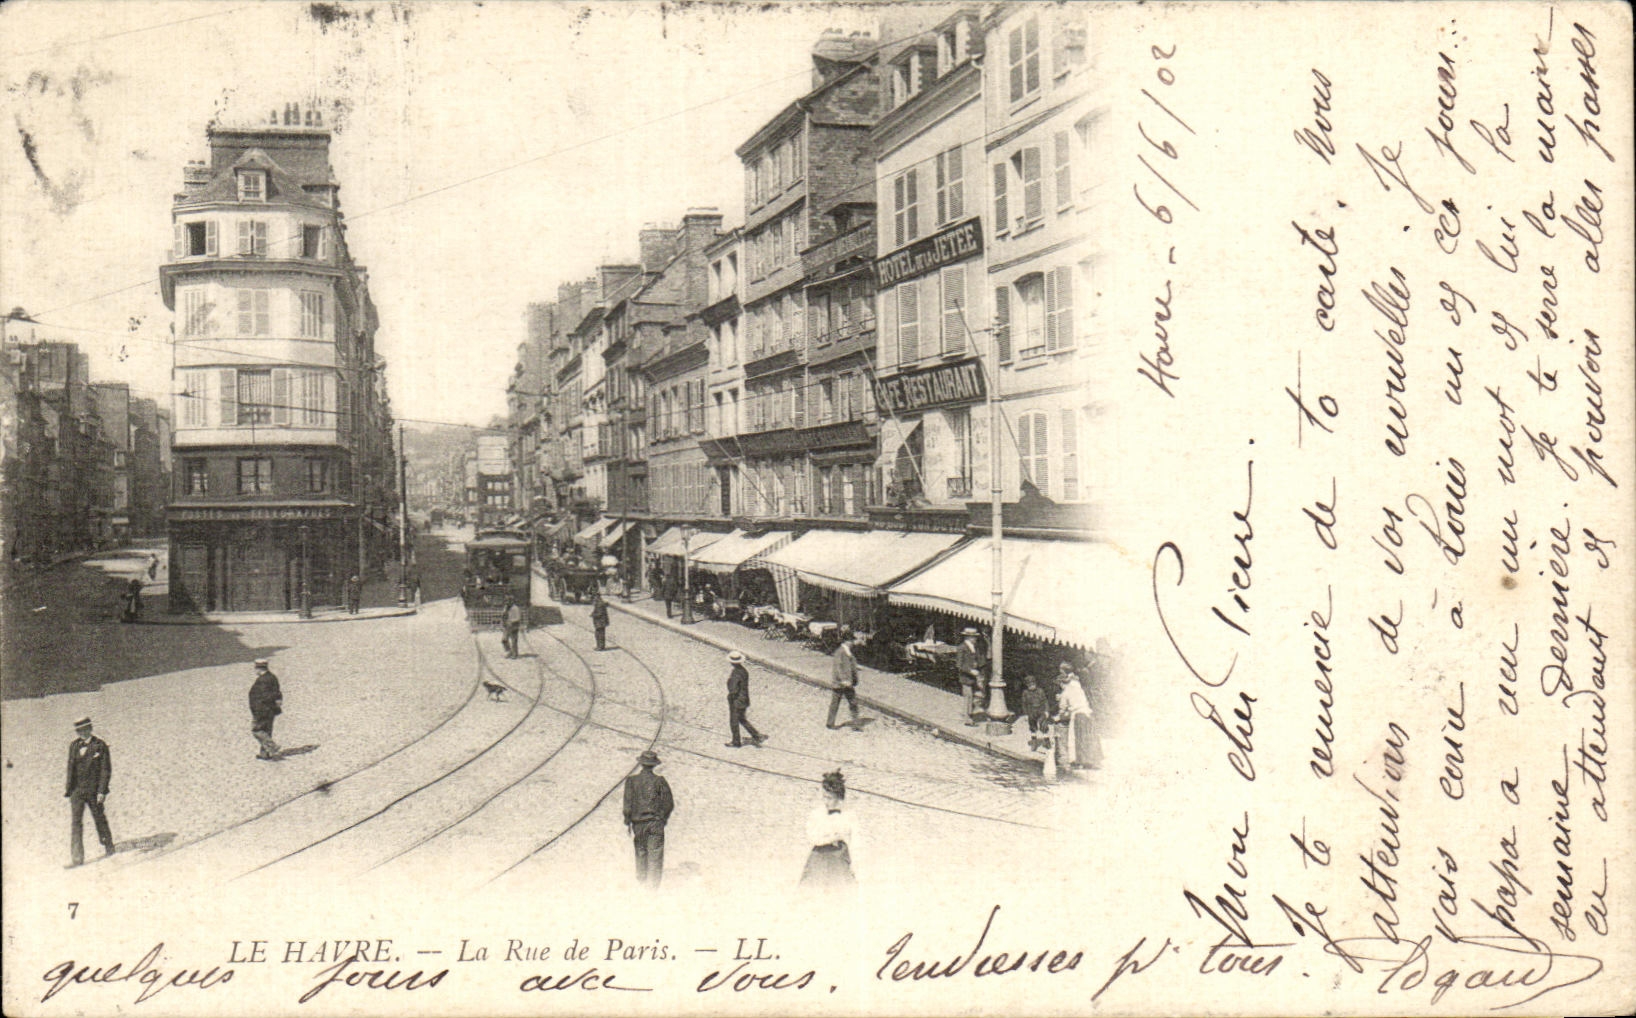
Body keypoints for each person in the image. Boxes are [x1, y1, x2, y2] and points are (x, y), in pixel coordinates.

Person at [65, 717, 115, 866]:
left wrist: (102, 791)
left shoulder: (100, 745)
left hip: (94, 791)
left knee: (99, 818)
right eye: (79, 730)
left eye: (85, 729)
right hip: (77, 792)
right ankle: (77, 858)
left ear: (90, 729)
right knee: (76, 823)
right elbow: (70, 768)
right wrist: (70, 790)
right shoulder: (74, 746)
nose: (82, 733)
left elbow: (106, 770)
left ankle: (108, 845)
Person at [622, 750, 673, 887]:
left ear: (641, 764)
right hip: (655, 822)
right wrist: (663, 818)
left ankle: (641, 881)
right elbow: (668, 803)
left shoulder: (631, 781)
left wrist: (627, 820)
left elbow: (628, 804)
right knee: (655, 854)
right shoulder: (660, 781)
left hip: (638, 823)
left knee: (640, 851)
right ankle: (653, 887)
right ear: (654, 765)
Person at [799, 770, 856, 889]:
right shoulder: (817, 814)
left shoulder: (847, 816)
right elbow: (813, 837)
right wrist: (834, 837)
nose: (826, 801)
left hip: (838, 861)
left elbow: (851, 841)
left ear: (839, 800)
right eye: (824, 797)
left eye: (829, 798)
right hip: (819, 858)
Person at [1057, 664, 1101, 769]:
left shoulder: (1065, 693)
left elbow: (1062, 709)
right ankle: (1094, 760)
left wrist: (1059, 716)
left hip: (1078, 715)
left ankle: (1081, 761)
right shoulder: (1078, 687)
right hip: (1088, 713)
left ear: (1062, 683)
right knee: (1090, 737)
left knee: (1079, 739)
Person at [725, 650, 766, 748]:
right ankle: (756, 735)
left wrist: (730, 696)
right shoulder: (744, 671)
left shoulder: (736, 673)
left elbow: (733, 689)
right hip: (744, 699)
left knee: (734, 721)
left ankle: (736, 742)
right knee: (742, 719)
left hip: (737, 700)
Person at [826, 626, 862, 731]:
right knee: (835, 703)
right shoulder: (840, 652)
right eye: (852, 641)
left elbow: (850, 663)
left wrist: (856, 667)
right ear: (847, 641)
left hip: (848, 682)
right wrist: (843, 680)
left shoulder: (848, 651)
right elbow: (838, 667)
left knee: (853, 702)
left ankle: (856, 725)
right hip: (840, 683)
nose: (853, 643)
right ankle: (830, 723)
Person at [248, 659, 284, 760]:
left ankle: (272, 746)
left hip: (262, 710)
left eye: (255, 668)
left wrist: (256, 710)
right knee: (267, 731)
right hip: (271, 710)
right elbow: (277, 692)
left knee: (257, 730)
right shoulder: (272, 677)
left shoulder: (262, 680)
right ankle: (265, 754)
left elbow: (263, 697)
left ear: (258, 668)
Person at [956, 627, 985, 725]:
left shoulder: (974, 647)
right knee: (968, 697)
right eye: (974, 637)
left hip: (974, 677)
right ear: (968, 637)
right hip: (966, 677)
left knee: (973, 697)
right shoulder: (962, 648)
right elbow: (959, 665)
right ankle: (967, 719)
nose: (975, 639)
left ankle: (969, 715)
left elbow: (977, 660)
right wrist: (971, 671)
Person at [1021, 674, 1052, 751]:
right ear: (1027, 685)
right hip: (1031, 711)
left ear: (1035, 684)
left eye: (1033, 684)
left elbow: (1045, 701)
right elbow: (1024, 704)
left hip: (1040, 710)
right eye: (1030, 685)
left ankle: (1047, 741)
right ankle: (1034, 743)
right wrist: (1025, 714)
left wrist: (1047, 711)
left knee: (1044, 725)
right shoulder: (1025, 693)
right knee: (1032, 727)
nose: (1032, 686)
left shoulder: (1040, 691)